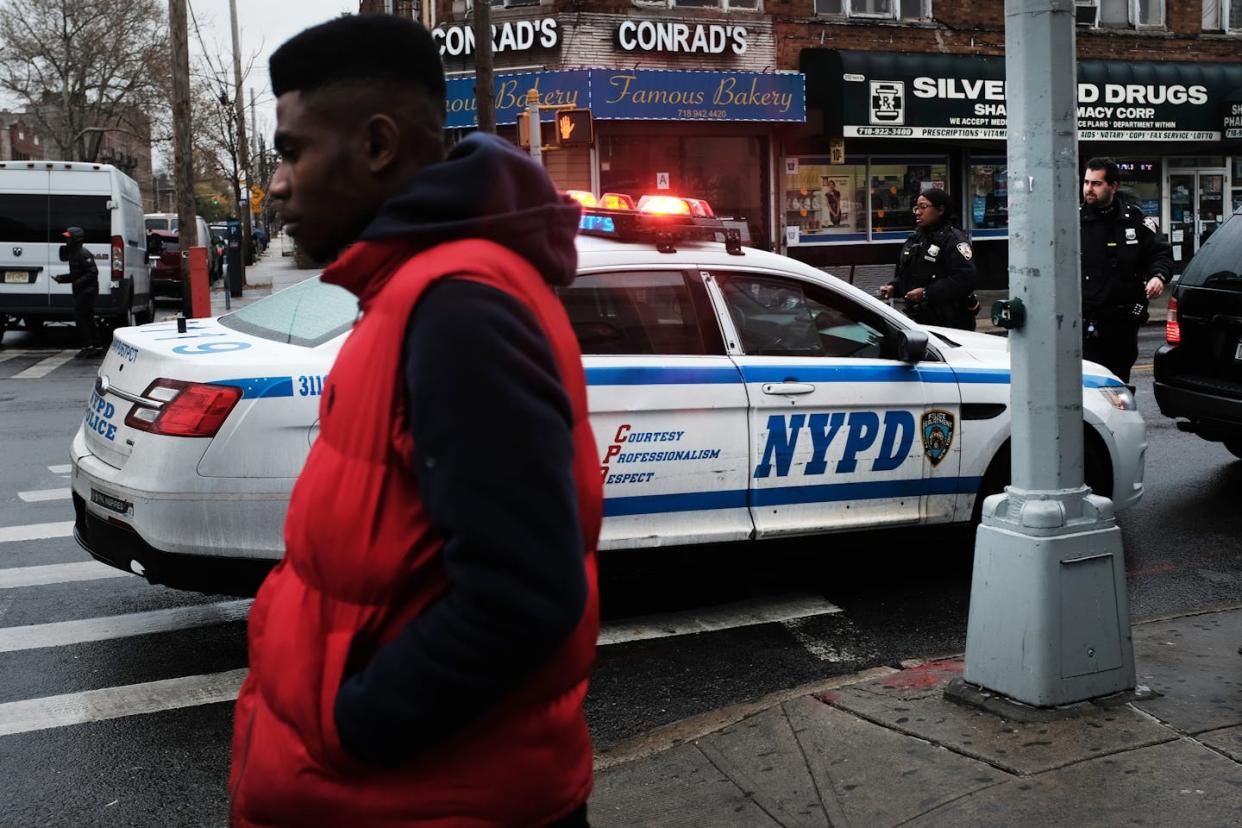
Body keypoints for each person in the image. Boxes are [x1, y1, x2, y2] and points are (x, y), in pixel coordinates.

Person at [228, 16, 601, 828]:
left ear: (375, 144)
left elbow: (522, 597)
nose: (279, 185)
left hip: (427, 800)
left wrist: (351, 729)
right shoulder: (411, 291)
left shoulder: (458, 306)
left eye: (292, 152)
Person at [1080, 157, 1173, 383]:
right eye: (1086, 182)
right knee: (1090, 384)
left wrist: (1158, 277)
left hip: (1124, 320)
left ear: (1113, 187)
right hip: (1086, 320)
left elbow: (1161, 253)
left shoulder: (1136, 220)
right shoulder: (1074, 221)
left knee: (1119, 382)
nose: (1088, 189)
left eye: (1096, 183)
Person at [880, 188, 978, 331]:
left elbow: (965, 278)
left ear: (940, 210)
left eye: (924, 207)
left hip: (950, 323)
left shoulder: (953, 240)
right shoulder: (916, 238)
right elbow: (911, 274)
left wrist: (927, 292)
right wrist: (894, 287)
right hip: (920, 320)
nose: (918, 212)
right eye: (916, 208)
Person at [53, 226, 102, 358]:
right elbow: (77, 274)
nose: (66, 241)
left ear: (76, 240)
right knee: (87, 318)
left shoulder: (83, 253)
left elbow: (92, 272)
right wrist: (62, 278)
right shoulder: (74, 254)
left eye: (68, 238)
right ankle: (95, 345)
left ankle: (89, 346)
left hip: (87, 292)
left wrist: (78, 282)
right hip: (83, 291)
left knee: (81, 318)